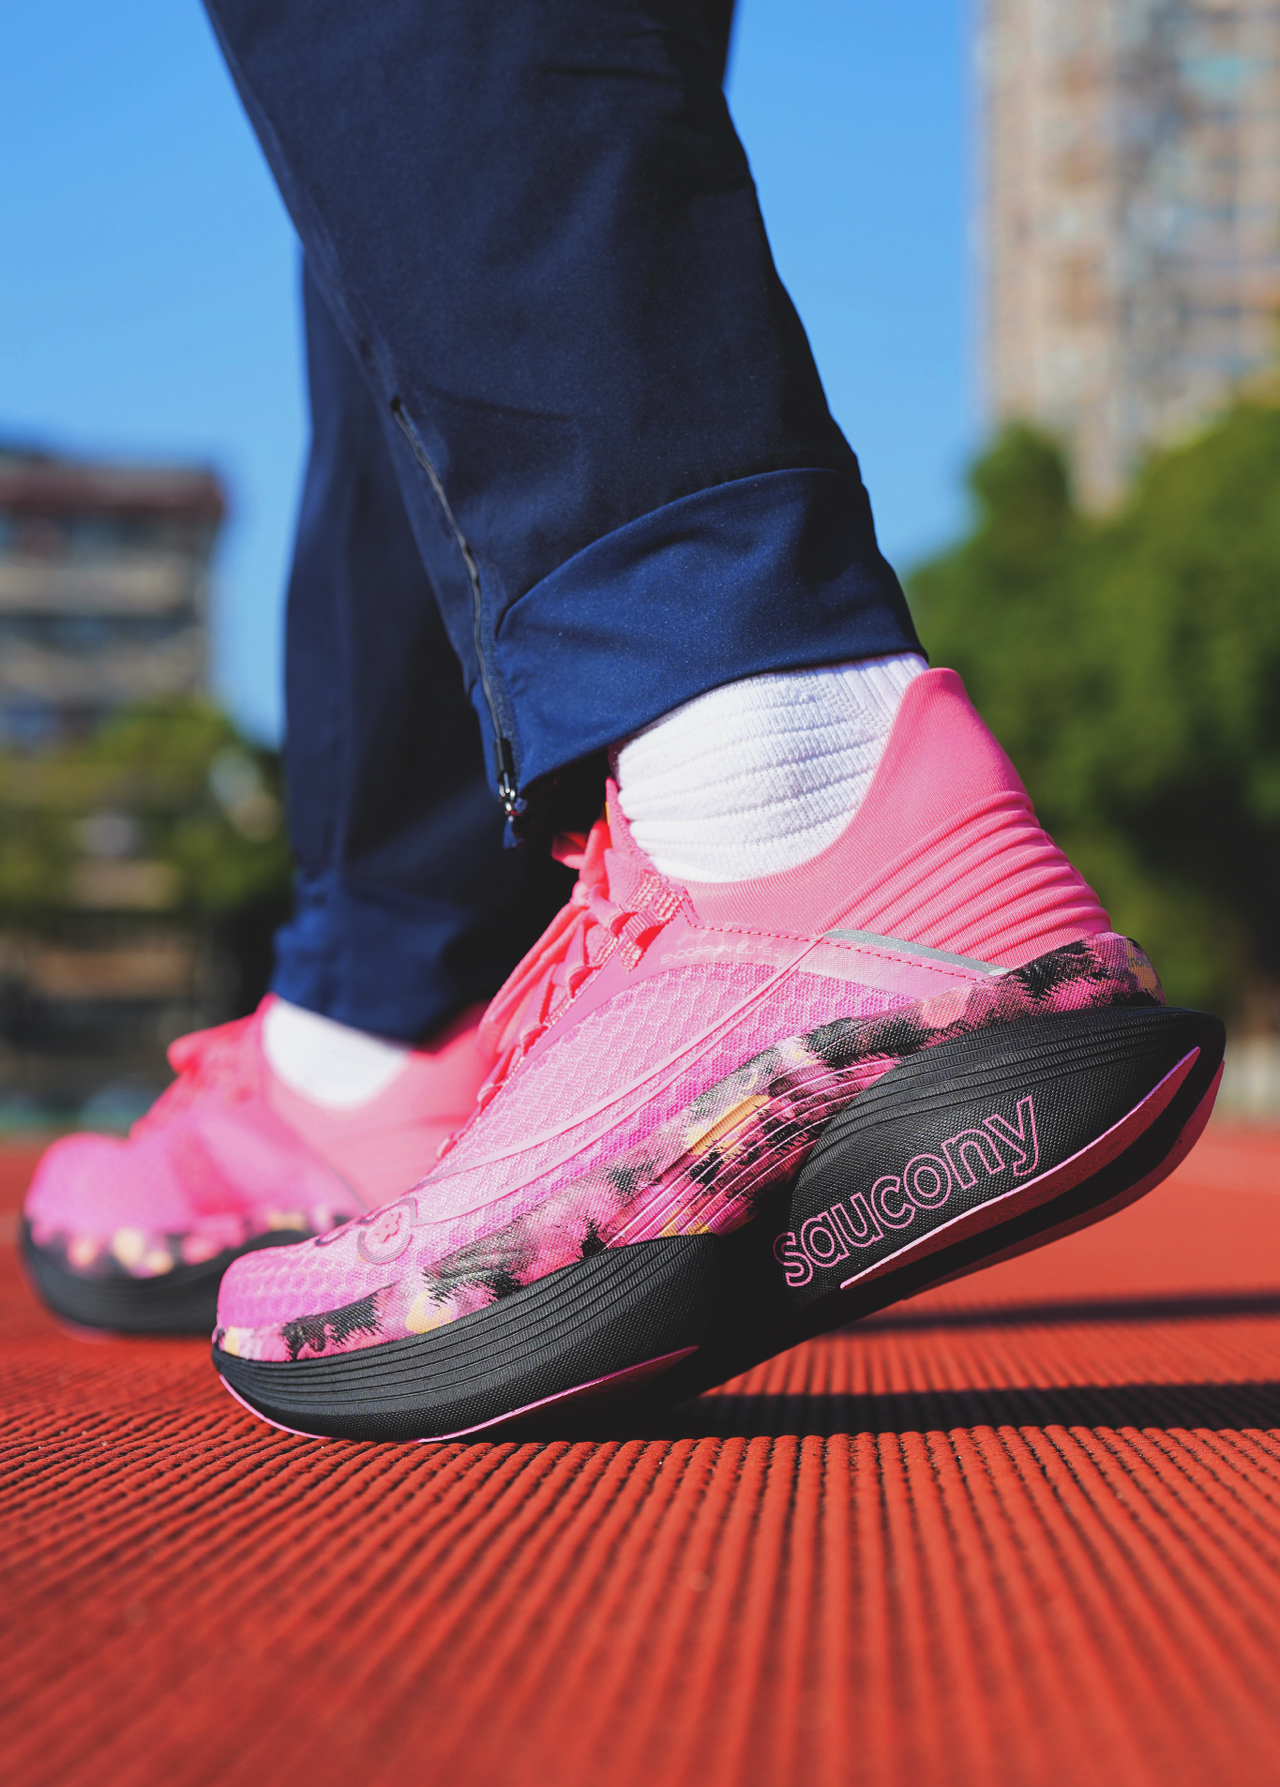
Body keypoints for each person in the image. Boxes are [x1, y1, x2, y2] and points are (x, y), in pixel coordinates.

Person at [23, 1, 1222, 1434]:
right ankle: (405, 998)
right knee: (400, 168)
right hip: (446, 930)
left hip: (767, 810)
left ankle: (763, 783)